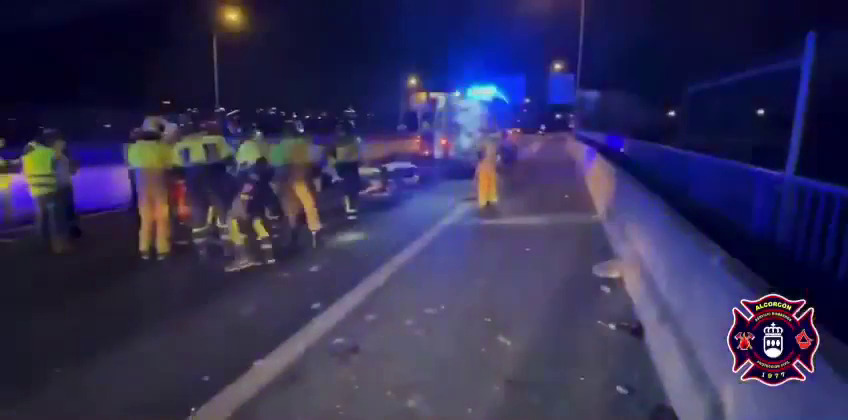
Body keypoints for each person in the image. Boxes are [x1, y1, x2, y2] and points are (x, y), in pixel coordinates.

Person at [171, 117, 236, 259]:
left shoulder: (179, 146)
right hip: (217, 181)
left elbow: (177, 172)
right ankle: (228, 249)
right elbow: (230, 160)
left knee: (198, 219)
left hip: (194, 184)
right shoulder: (216, 140)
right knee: (223, 216)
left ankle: (202, 251)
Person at [269, 120, 322, 248]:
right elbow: (314, 160)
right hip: (301, 178)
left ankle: (286, 231)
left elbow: (274, 162)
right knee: (309, 204)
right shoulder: (302, 144)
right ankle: (314, 231)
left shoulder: (279, 146)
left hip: (284, 180)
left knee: (288, 208)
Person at [127, 125, 173, 260]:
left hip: (141, 181)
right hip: (158, 180)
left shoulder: (133, 148)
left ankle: (144, 249)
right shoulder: (162, 147)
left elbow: (131, 164)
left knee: (145, 217)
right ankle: (162, 249)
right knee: (161, 217)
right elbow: (169, 165)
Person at [21, 130, 68, 253]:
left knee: (42, 217)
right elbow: (62, 167)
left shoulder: (26, 155)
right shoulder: (50, 153)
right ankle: (59, 246)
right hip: (50, 189)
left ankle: (43, 244)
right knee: (56, 217)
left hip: (35, 190)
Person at [329, 120, 362, 220]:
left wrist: (333, 169)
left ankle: (350, 211)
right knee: (352, 190)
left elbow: (332, 156)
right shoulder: (355, 140)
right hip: (352, 167)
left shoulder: (336, 141)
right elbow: (360, 153)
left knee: (346, 191)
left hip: (342, 167)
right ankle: (352, 210)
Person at [51, 134, 81, 239]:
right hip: (60, 186)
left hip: (63, 185)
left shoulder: (64, 157)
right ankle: (67, 231)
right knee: (65, 209)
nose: (63, 145)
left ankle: (71, 230)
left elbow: (72, 171)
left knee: (68, 209)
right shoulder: (54, 156)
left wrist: (74, 167)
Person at [476, 127, 500, 209]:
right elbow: (480, 154)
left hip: (487, 165)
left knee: (486, 183)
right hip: (488, 165)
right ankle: (489, 199)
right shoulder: (492, 143)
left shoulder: (483, 142)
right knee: (489, 183)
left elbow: (480, 154)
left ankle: (485, 200)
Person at [0, 138, 18, 225]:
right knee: (6, 204)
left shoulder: (1, 157)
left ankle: (8, 221)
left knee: (7, 204)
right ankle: (8, 222)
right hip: (3, 186)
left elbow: (7, 164)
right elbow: (7, 164)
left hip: (4, 184)